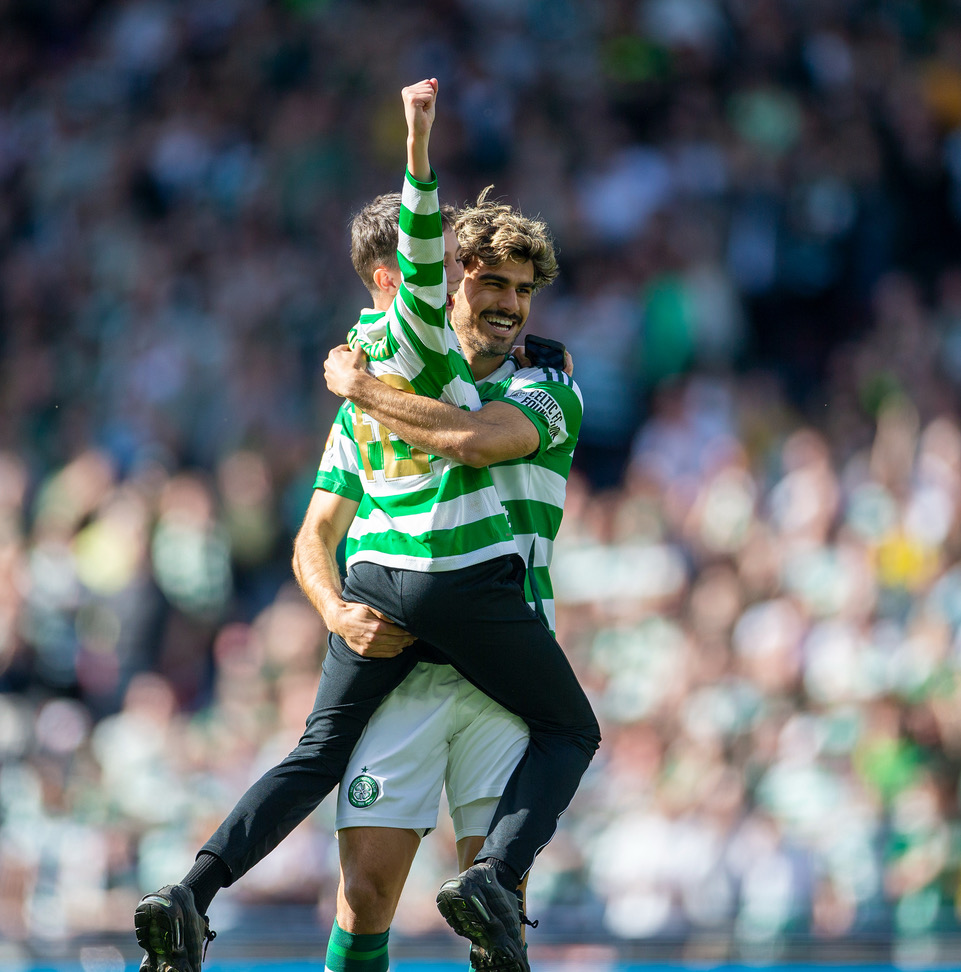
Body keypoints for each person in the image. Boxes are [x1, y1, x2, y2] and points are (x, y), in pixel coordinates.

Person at [134, 78, 598, 972]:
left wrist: (360, 383)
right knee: (367, 894)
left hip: (499, 660)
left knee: (496, 914)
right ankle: (190, 898)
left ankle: (193, 894)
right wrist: (333, 611)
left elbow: (472, 441)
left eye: (518, 290)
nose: (504, 304)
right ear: (440, 286)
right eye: (484, 282)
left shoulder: (546, 382)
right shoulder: (402, 376)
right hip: (412, 653)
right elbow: (314, 537)